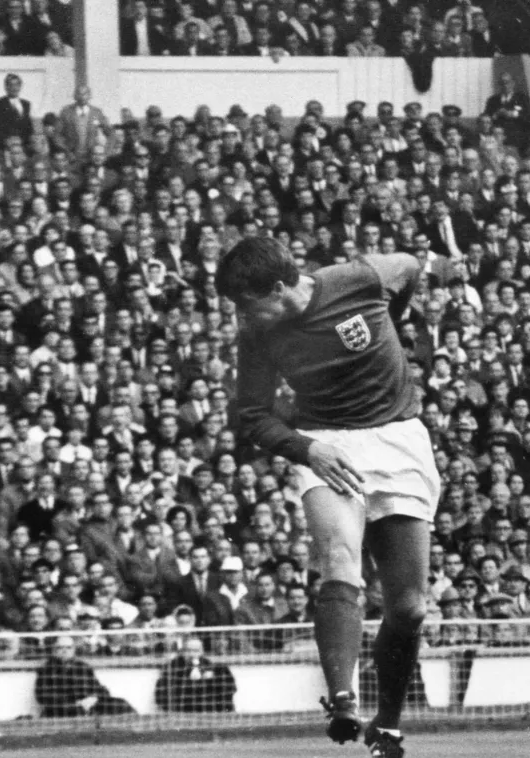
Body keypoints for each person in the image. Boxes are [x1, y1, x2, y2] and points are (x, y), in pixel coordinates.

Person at [218, 238, 435, 758]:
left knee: (409, 609)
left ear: (278, 289)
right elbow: (252, 415)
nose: (241, 315)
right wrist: (307, 450)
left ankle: (386, 725)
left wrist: (392, 318)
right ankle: (341, 699)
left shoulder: (359, 279)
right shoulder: (258, 333)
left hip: (398, 437)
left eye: (246, 302)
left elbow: (409, 268)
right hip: (328, 443)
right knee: (339, 559)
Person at [33, 635, 135, 717]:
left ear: (74, 650)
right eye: (60, 648)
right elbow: (42, 696)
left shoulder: (83, 667)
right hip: (64, 708)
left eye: (68, 647)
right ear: (54, 650)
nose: (65, 650)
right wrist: (76, 703)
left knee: (120, 703)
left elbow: (101, 690)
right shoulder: (46, 670)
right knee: (77, 712)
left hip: (88, 704)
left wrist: (94, 698)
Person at [154, 638, 237, 712]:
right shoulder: (173, 667)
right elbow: (161, 695)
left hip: (208, 711)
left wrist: (212, 678)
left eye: (196, 650)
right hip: (182, 711)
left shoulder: (211, 666)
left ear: (202, 651)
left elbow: (230, 689)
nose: (192, 654)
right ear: (182, 652)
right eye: (188, 650)